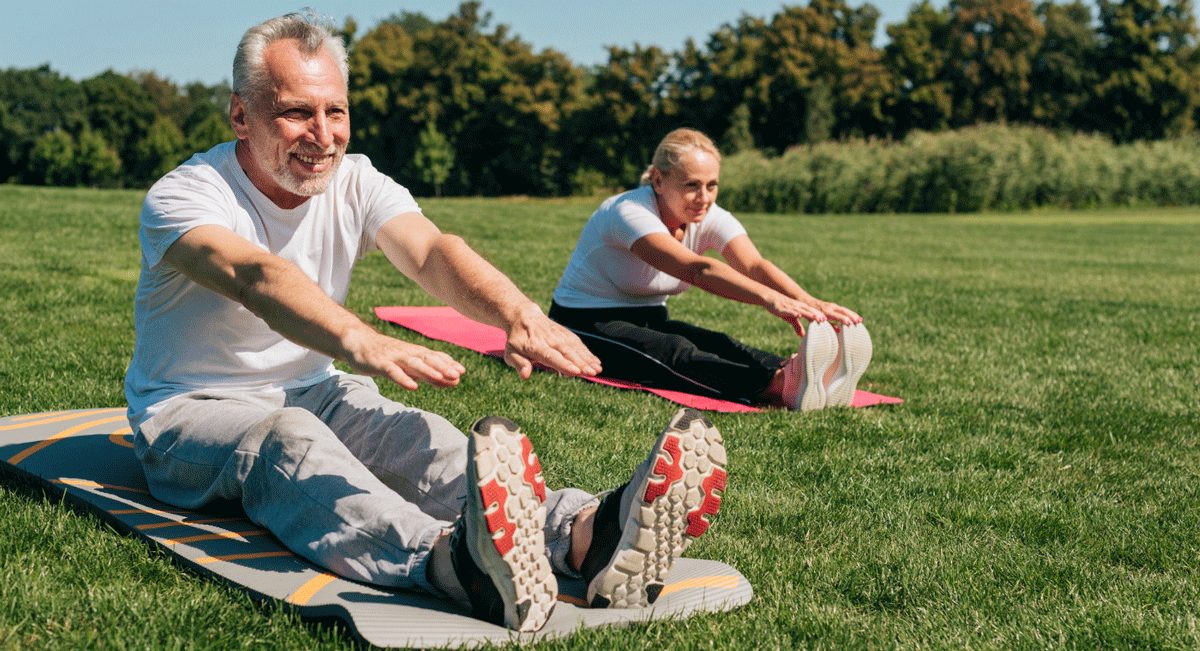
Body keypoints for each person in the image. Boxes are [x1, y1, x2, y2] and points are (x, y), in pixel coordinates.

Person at [123, 12, 727, 633]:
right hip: (189, 411)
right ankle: (450, 561)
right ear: (241, 115)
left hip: (316, 391)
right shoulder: (186, 195)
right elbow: (255, 275)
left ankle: (584, 536)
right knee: (287, 443)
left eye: (336, 112)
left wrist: (517, 314)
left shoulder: (355, 180)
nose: (323, 135)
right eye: (296, 113)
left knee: (418, 438)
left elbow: (433, 251)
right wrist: (358, 339)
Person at [549, 128, 873, 411]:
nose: (703, 198)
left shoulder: (707, 215)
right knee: (674, 352)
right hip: (583, 323)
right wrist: (768, 299)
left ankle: (801, 374)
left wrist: (812, 303)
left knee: (717, 342)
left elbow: (754, 264)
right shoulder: (629, 212)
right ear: (659, 180)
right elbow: (696, 269)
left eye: (712, 185)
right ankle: (775, 386)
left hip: (648, 317)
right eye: (691, 185)